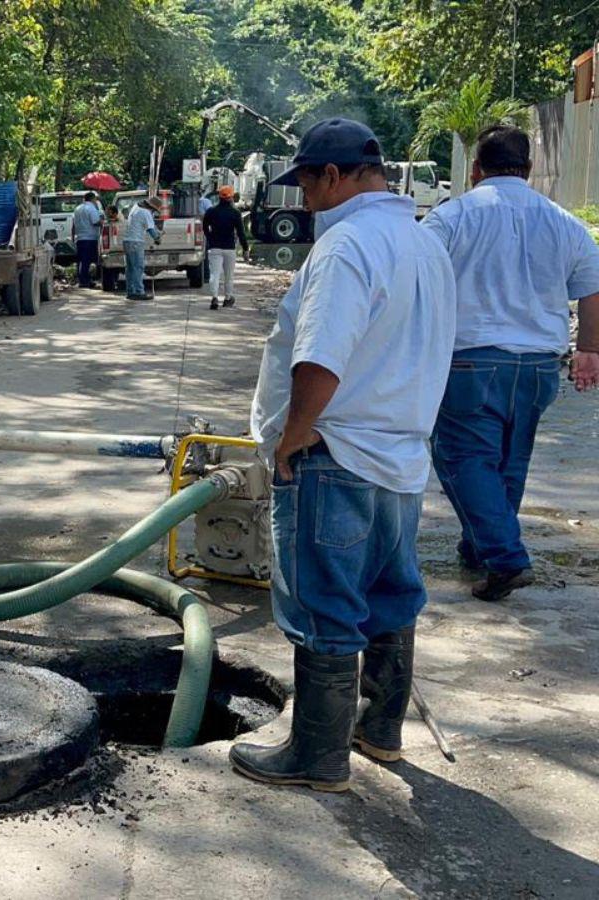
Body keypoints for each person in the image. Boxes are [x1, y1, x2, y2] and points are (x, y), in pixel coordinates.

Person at [229, 118, 456, 791]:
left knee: (324, 604)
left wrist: (292, 437)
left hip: (336, 455)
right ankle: (378, 731)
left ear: (332, 176)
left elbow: (320, 356)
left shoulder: (346, 245)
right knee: (390, 597)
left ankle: (318, 757)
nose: (302, 200)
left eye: (304, 183)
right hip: (401, 459)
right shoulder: (423, 245)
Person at [422, 125, 599, 601]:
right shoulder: (565, 222)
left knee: (461, 457)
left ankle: (506, 558)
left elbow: (413, 275)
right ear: (530, 168)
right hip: (540, 365)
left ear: (476, 168)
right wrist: (590, 350)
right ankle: (479, 547)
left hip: (471, 361)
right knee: (508, 461)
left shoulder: (452, 216)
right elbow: (591, 288)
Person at [202, 185, 250, 310]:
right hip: (229, 248)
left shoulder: (211, 211)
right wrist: (245, 249)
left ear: (219, 196)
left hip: (214, 247)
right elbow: (241, 233)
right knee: (229, 276)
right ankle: (228, 298)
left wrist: (210, 237)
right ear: (231, 197)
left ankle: (214, 298)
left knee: (214, 274)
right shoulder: (235, 213)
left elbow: (204, 227)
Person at [122, 195, 162, 301]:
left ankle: (131, 291)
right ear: (152, 208)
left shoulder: (136, 207)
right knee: (138, 267)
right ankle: (139, 291)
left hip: (127, 241)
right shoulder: (146, 212)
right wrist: (157, 238)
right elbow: (151, 230)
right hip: (136, 242)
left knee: (130, 268)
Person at [72, 192, 105, 289]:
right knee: (88, 260)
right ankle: (85, 281)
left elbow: (73, 225)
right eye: (95, 199)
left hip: (80, 238)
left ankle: (82, 279)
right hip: (90, 238)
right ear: (92, 199)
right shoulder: (91, 208)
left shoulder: (77, 209)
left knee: (81, 260)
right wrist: (103, 221)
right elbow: (95, 222)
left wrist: (74, 237)